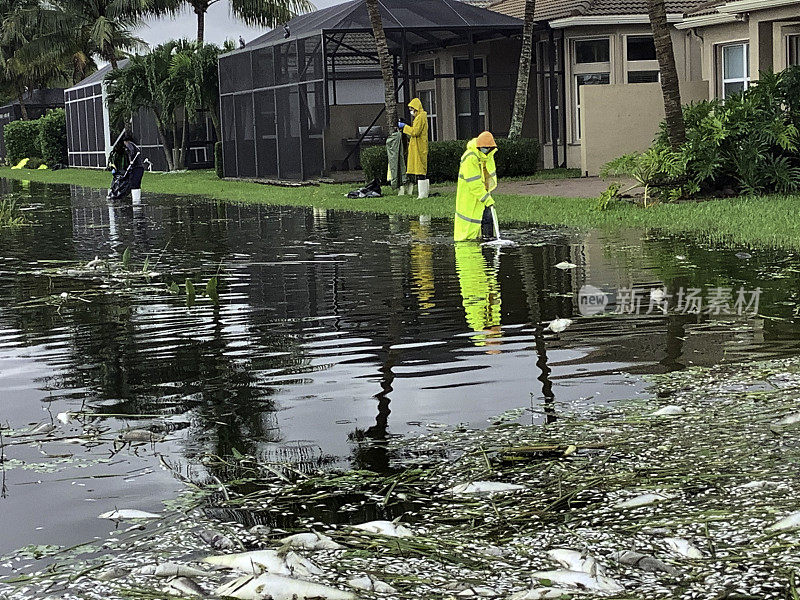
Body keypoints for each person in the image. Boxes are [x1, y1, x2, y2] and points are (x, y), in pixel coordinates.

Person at [454, 131, 498, 242]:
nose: (486, 150)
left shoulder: (486, 156)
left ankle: (487, 240)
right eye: (484, 147)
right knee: (470, 223)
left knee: (487, 218)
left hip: (482, 195)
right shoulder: (470, 158)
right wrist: (486, 198)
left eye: (488, 148)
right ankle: (481, 241)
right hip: (470, 197)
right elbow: (474, 184)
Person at [397, 98, 429, 198]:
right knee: (420, 170)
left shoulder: (420, 118)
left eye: (412, 109)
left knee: (420, 170)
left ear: (416, 108)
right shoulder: (420, 117)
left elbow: (415, 132)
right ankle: (423, 193)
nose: (411, 111)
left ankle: (423, 194)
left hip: (420, 146)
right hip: (418, 146)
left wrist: (404, 127)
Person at [122, 130, 145, 203]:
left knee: (134, 183)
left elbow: (131, 153)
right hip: (140, 167)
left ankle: (135, 200)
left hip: (136, 167)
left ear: (125, 141)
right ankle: (137, 199)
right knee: (137, 183)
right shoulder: (135, 146)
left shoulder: (129, 145)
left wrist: (130, 161)